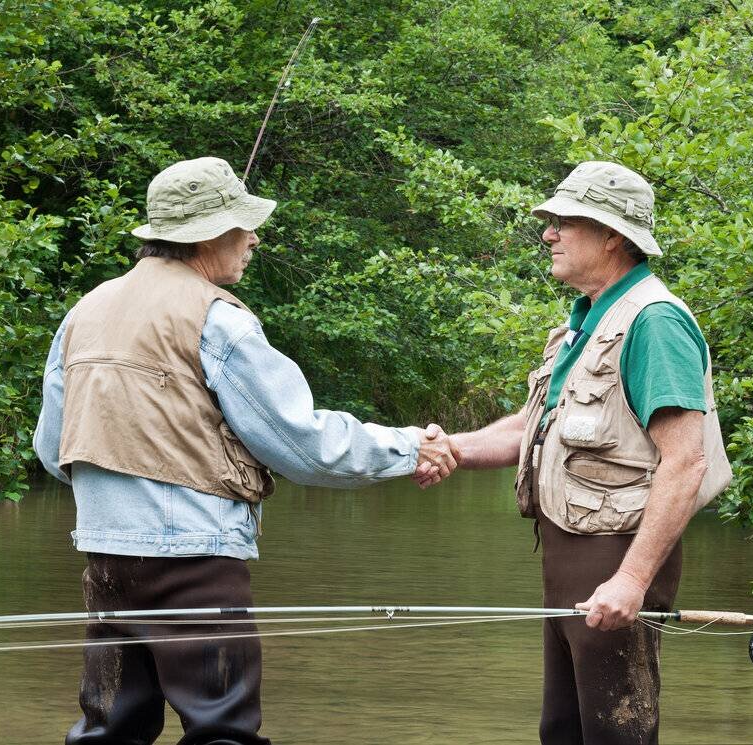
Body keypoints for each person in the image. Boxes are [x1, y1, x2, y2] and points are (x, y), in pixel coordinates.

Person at [33, 156, 459, 745]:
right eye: (244, 224)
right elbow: (301, 445)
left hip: (105, 561)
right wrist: (410, 447)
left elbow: (54, 451)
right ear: (209, 235)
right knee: (222, 732)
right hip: (196, 563)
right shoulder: (216, 318)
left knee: (110, 730)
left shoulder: (85, 310)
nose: (254, 237)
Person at [416, 161, 731, 744]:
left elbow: (687, 461)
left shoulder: (654, 323)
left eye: (564, 222)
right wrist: (444, 448)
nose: (548, 234)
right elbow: (532, 429)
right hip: (566, 562)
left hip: (616, 559)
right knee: (561, 730)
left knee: (617, 734)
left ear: (613, 236)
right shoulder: (585, 323)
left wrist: (632, 580)